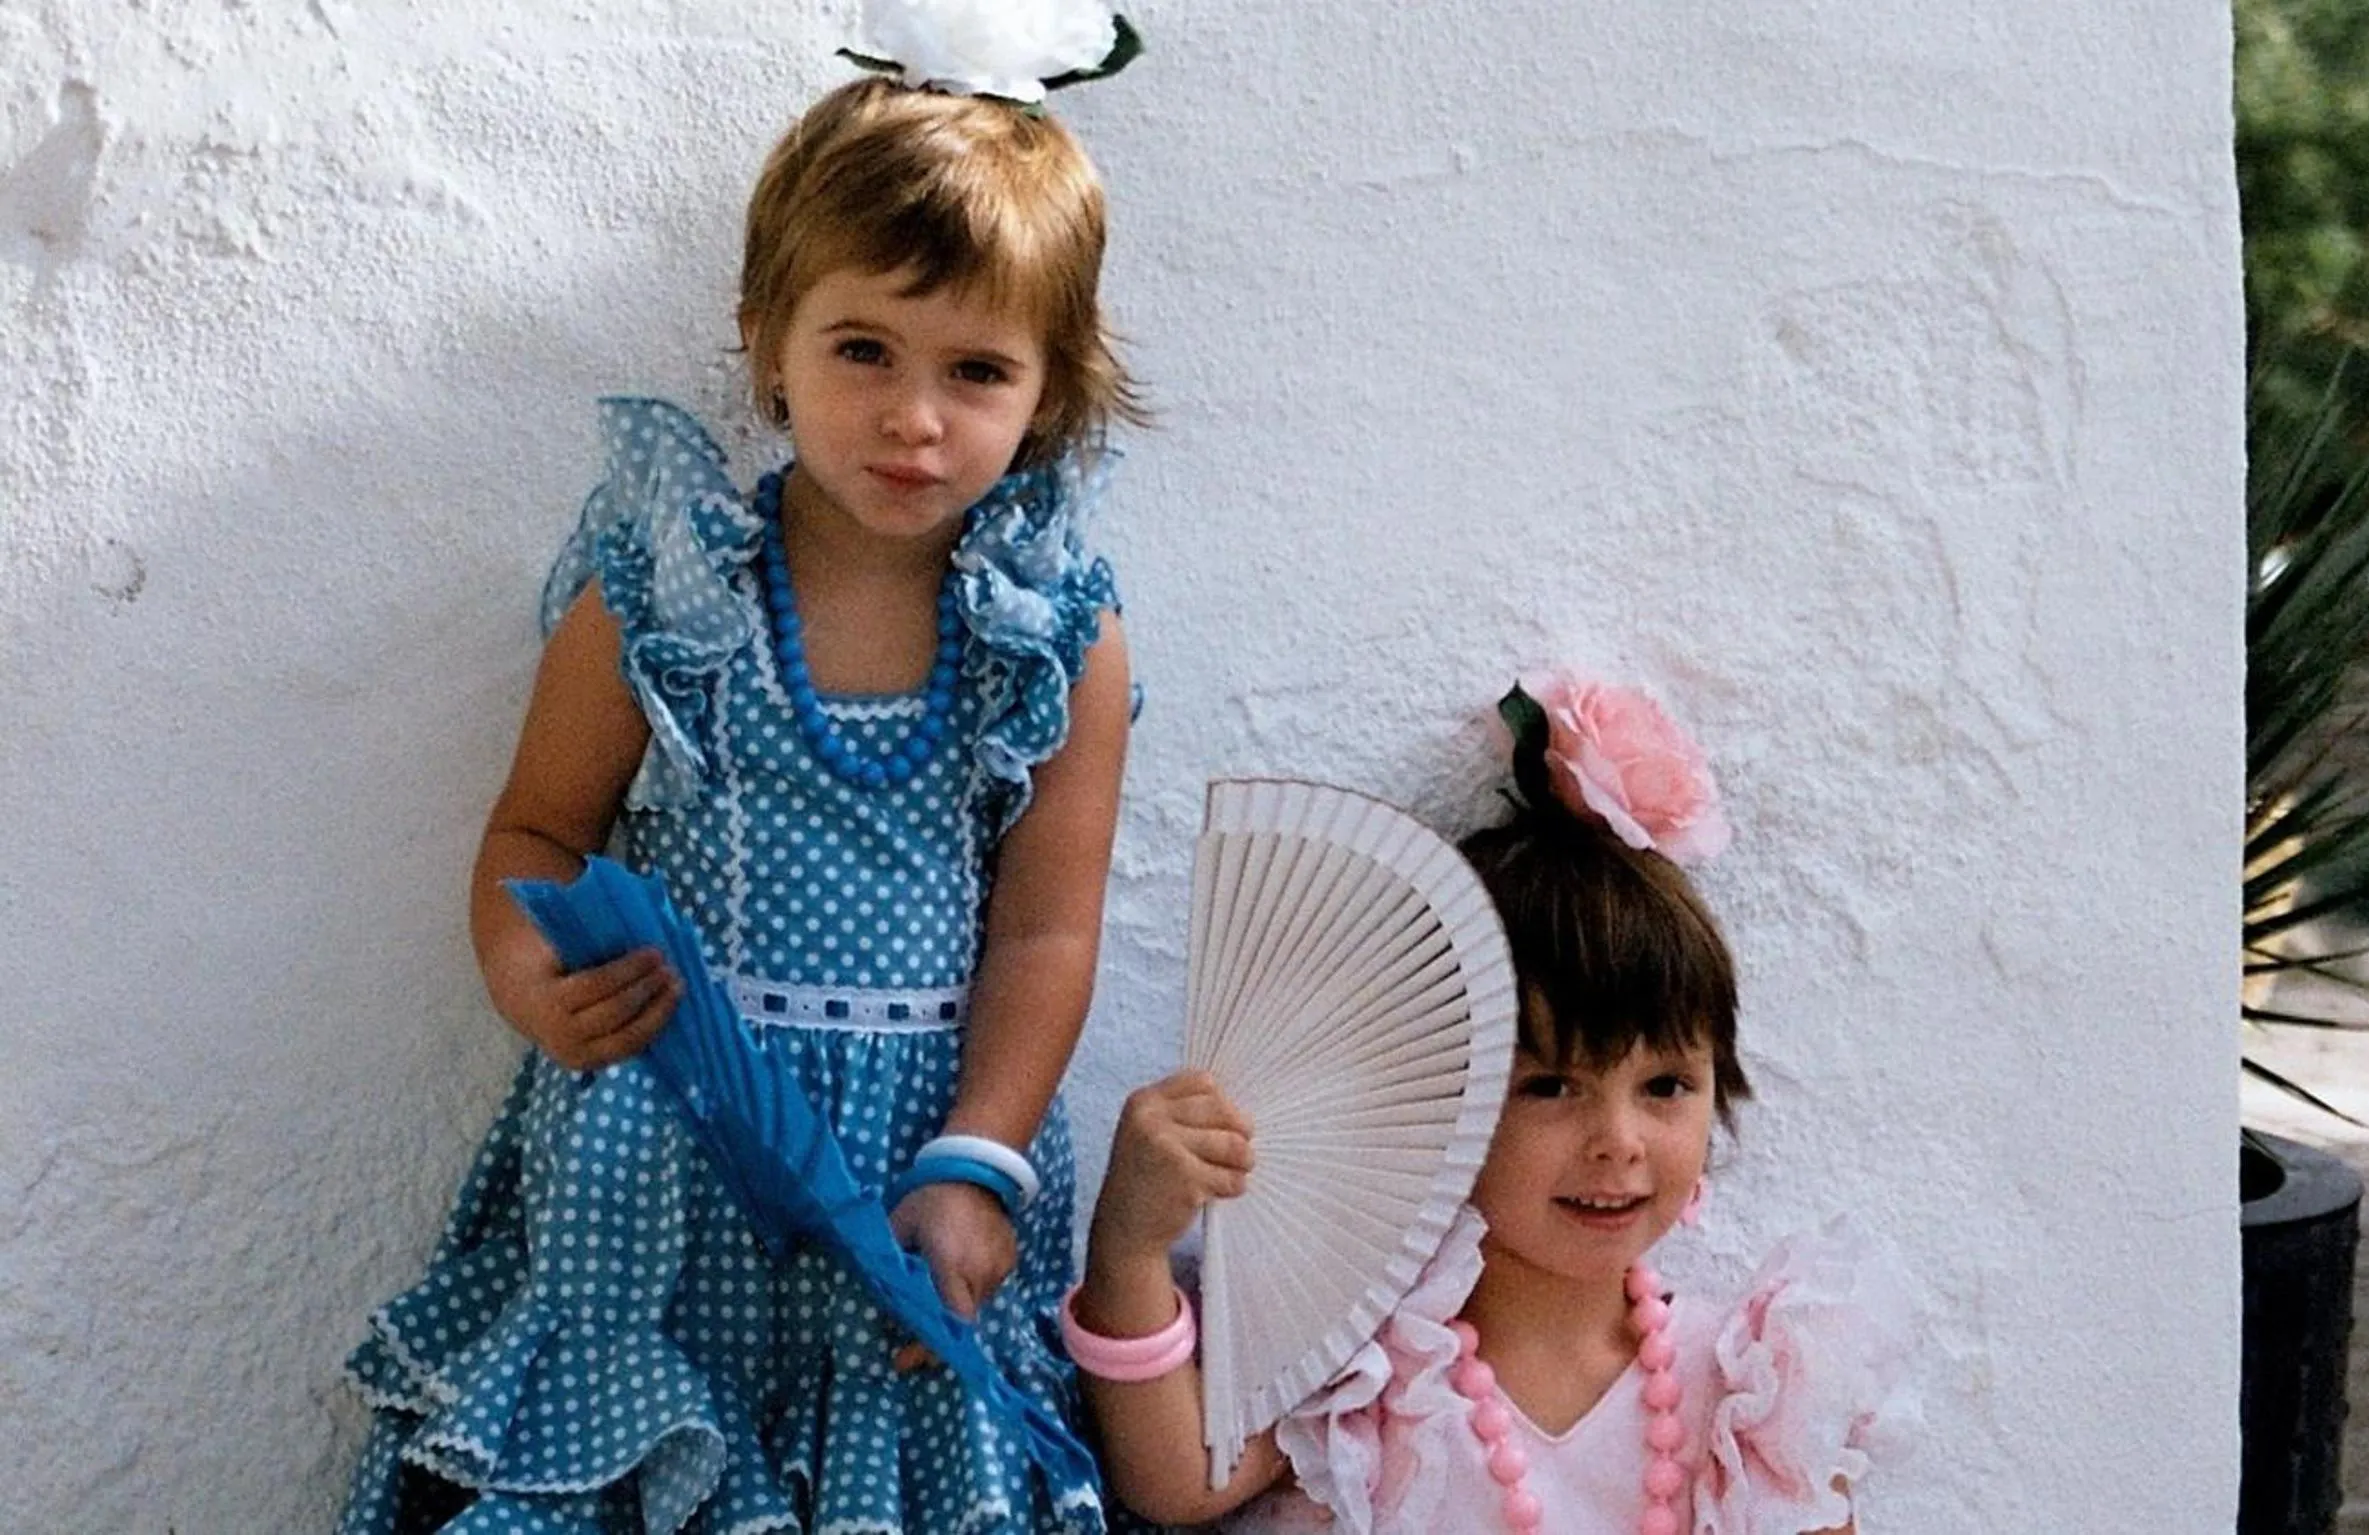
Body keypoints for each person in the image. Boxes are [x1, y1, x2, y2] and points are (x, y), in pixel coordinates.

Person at [333, 17, 1143, 1531]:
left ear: (1051, 387)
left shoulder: (1050, 632)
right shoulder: (669, 584)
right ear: (767, 334)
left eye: (977, 368)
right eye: (863, 350)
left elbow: (1047, 927)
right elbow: (539, 823)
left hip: (905, 1177)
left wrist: (981, 1159)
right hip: (663, 1141)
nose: (915, 416)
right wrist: (527, 971)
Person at [1067, 678, 1915, 1534]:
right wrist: (1129, 1245)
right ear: (1446, 1103)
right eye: (1549, 1086)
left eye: (1665, 1086)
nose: (1617, 1141)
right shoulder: (1371, 1366)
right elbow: (1174, 1479)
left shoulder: (1745, 1398)